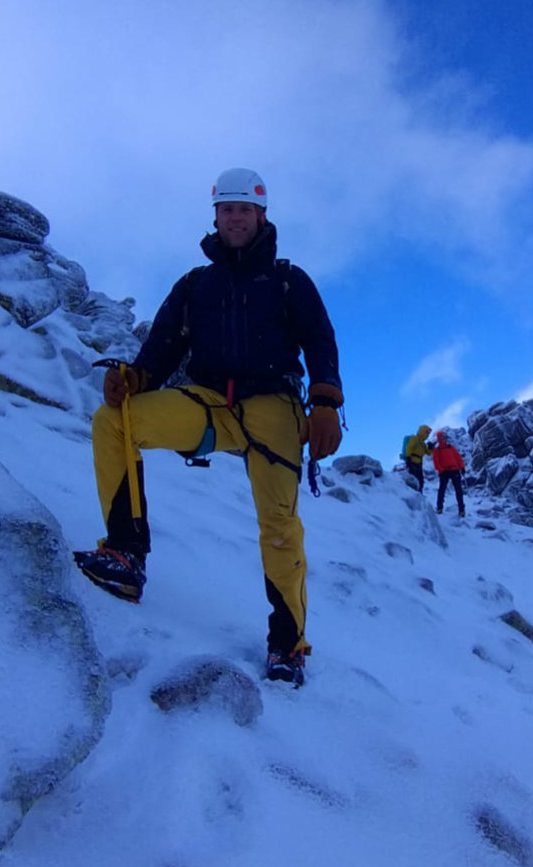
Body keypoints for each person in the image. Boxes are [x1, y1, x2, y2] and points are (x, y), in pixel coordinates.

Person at [74, 168, 343, 687]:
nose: (236, 217)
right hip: (207, 401)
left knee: (280, 524)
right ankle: (126, 555)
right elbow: (162, 347)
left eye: (245, 209)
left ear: (262, 216)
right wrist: (136, 376)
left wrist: (325, 400)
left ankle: (288, 646)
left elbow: (320, 340)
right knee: (115, 421)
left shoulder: (290, 280)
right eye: (228, 209)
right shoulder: (196, 285)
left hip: (274, 405)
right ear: (216, 217)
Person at [431, 430, 466, 516]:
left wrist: (462, 467)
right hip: (445, 471)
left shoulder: (451, 447)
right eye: (443, 438)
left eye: (445, 437)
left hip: (455, 470)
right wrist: (441, 470)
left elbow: (458, 458)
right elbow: (436, 462)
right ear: (439, 439)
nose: (445, 439)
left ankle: (461, 510)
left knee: (459, 490)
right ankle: (439, 508)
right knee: (442, 490)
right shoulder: (437, 450)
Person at [401, 425, 432, 492]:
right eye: (427, 433)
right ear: (422, 431)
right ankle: (413, 493)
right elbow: (409, 447)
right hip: (412, 461)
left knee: (420, 481)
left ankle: (418, 493)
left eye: (428, 433)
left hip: (419, 463)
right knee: (414, 479)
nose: (427, 435)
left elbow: (429, 453)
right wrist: (408, 457)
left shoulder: (423, 444)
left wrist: (431, 448)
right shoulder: (414, 439)